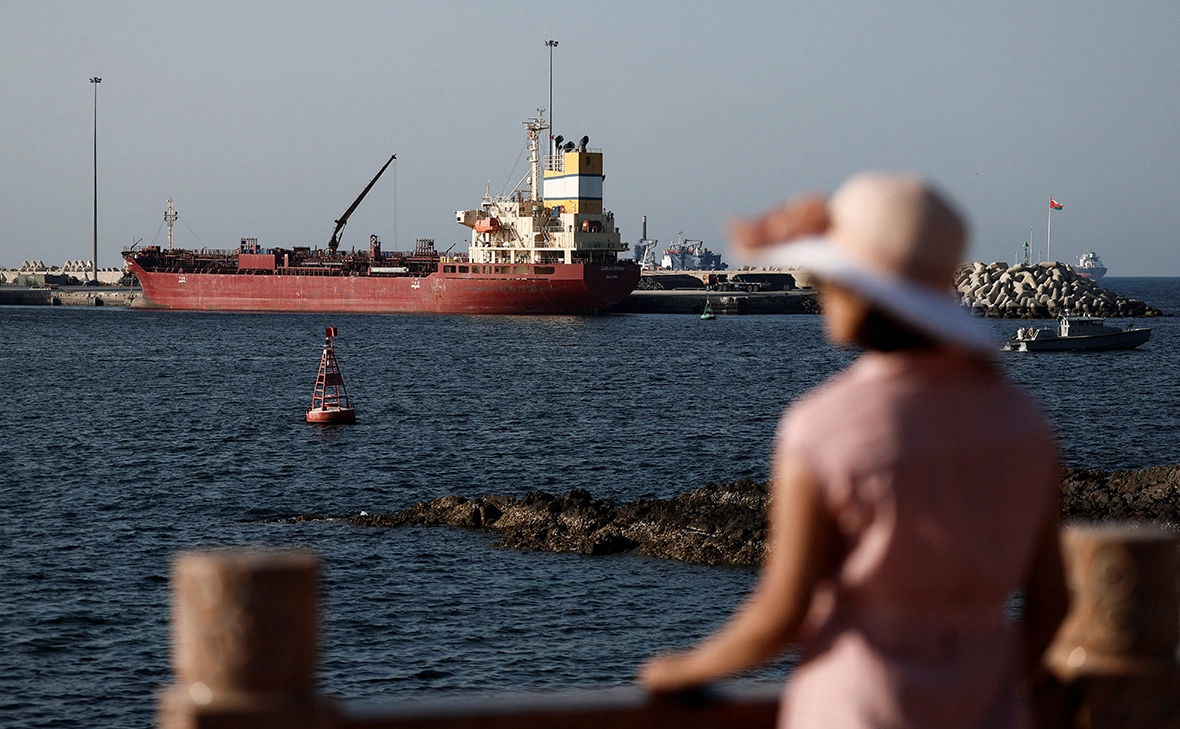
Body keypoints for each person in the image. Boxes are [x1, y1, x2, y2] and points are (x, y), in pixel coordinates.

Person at [638, 172, 1067, 729]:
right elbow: (1053, 606)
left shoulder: (822, 427)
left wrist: (684, 669)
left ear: (857, 292)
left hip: (857, 705)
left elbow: (782, 611)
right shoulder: (1023, 423)